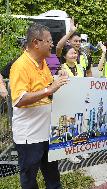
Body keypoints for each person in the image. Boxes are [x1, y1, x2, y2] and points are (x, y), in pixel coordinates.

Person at [9, 23, 69, 189]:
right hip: (29, 137)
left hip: (48, 133)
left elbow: (49, 88)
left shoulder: (45, 63)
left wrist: (59, 78)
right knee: (29, 180)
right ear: (36, 43)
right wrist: (50, 88)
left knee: (53, 176)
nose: (52, 44)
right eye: (49, 41)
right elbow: (19, 99)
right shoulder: (20, 66)